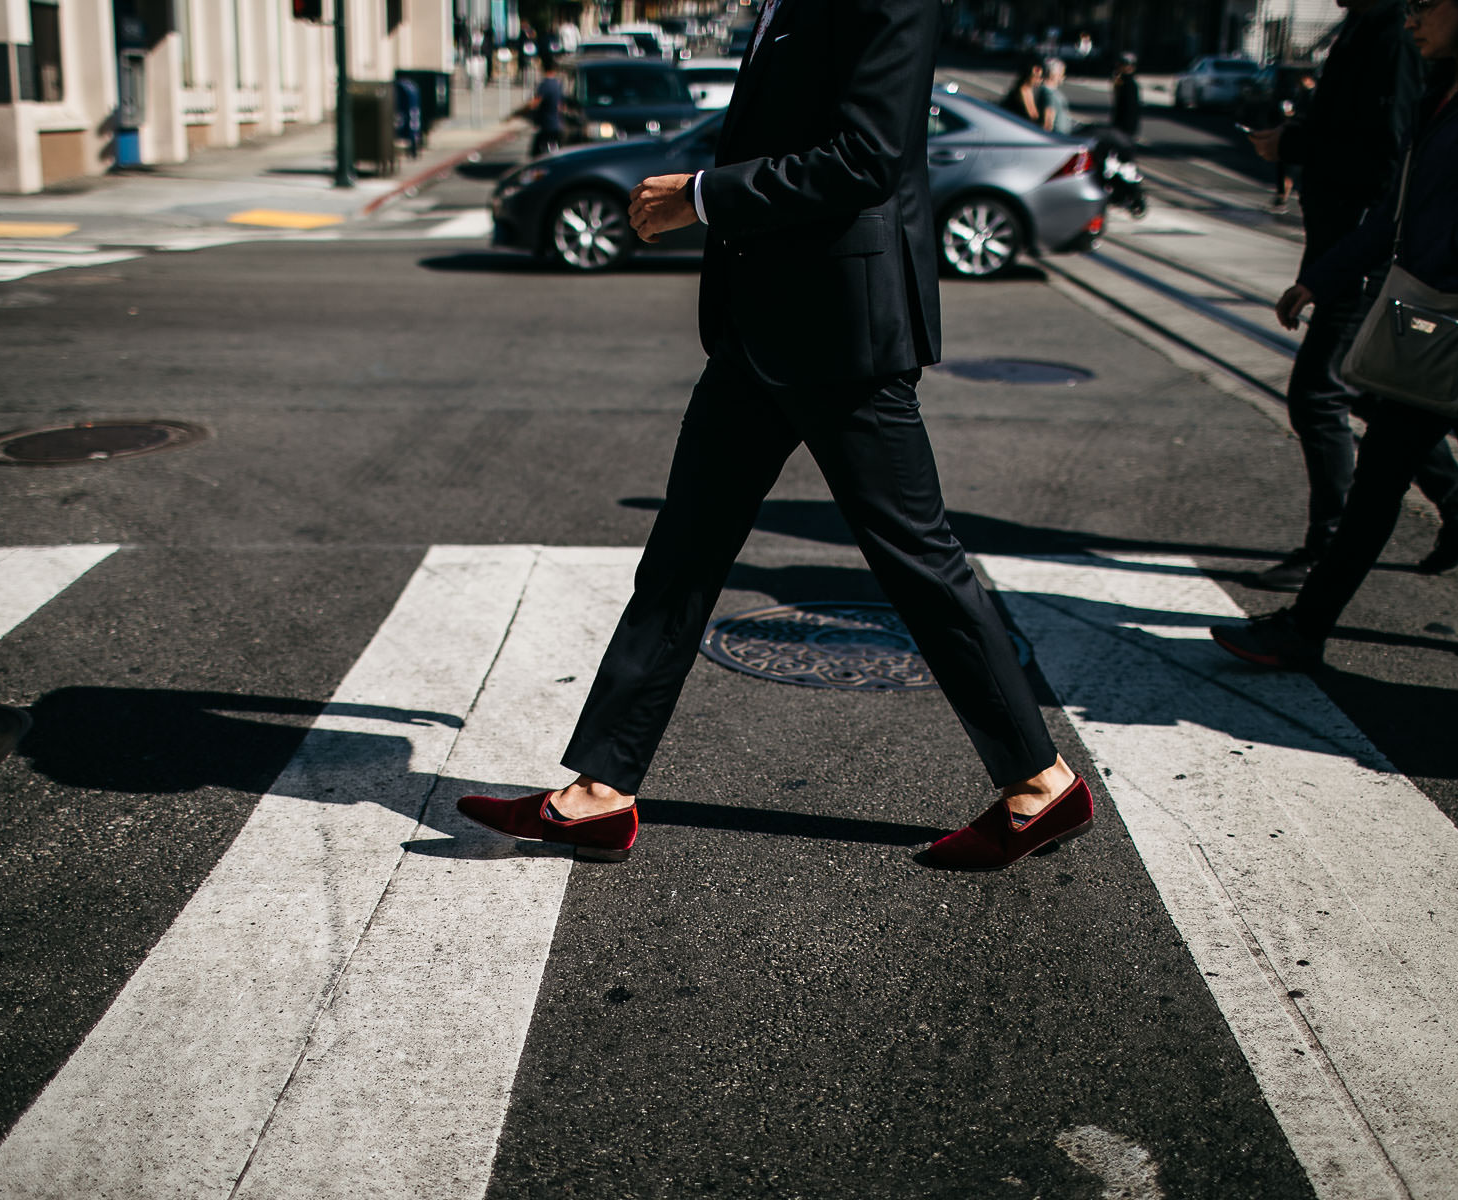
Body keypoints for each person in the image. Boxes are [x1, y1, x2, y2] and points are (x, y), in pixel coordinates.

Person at [457, 0, 1092, 871]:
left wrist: (703, 196)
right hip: (763, 328)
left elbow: (865, 155)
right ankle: (600, 792)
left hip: (841, 333)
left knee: (915, 558)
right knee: (682, 552)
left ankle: (1039, 780)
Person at [1213, 0, 1458, 669]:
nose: (1410, 17)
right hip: (1454, 299)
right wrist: (1326, 277)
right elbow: (1403, 203)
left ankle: (1304, 629)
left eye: (1424, 3)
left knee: (1386, 458)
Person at [1245, 0, 1458, 593]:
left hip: (1362, 247)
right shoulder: (1367, 26)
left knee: (1317, 393)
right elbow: (1361, 130)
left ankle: (1328, 547)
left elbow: (1388, 155)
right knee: (1363, 385)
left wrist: (1295, 146)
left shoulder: (1394, 34)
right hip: (1345, 243)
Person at [1267, 71, 1315, 210]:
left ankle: (1283, 196)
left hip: (1301, 136)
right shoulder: (1299, 94)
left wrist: (1294, 116)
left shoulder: (1311, 95)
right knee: (1285, 166)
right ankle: (1282, 195)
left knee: (1291, 169)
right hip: (1292, 134)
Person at [525, 56, 566, 158]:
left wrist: (520, 112)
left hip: (547, 125)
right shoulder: (558, 84)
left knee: (536, 154)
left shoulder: (545, 84)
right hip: (558, 124)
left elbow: (535, 102)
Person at [1002, 57, 1046, 127]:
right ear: (1028, 75)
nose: (1039, 80)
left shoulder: (1029, 90)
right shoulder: (1023, 91)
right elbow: (1032, 116)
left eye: (1041, 77)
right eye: (1035, 76)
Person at [1040, 57, 1075, 134]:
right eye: (1061, 73)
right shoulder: (1048, 93)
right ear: (1053, 74)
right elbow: (1048, 118)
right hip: (1057, 135)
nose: (1063, 77)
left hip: (1061, 135)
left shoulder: (1051, 91)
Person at [1111, 52, 1142, 138]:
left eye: (1130, 65)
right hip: (1120, 125)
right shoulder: (1121, 81)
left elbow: (1131, 108)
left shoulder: (1129, 84)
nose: (1128, 67)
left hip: (1125, 128)